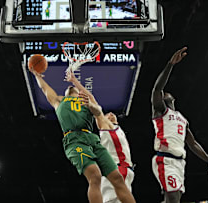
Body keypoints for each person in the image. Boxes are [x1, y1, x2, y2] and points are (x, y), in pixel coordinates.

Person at [29, 67, 136, 203]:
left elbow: (98, 112)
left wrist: (88, 102)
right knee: (95, 175)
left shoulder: (86, 100)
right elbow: (44, 89)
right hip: (74, 140)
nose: (70, 88)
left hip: (91, 138)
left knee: (117, 178)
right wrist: (37, 76)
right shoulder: (59, 101)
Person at [151, 47, 208, 203]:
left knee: (174, 200)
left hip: (179, 163)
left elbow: (193, 143)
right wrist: (170, 65)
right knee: (173, 199)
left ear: (173, 99)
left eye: (166, 93)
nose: (163, 94)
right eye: (163, 94)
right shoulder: (160, 111)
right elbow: (157, 89)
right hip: (165, 159)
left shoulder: (182, 119)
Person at [66, 71, 134, 203]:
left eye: (111, 114)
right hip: (116, 169)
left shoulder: (118, 129)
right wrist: (75, 82)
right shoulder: (105, 125)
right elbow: (92, 100)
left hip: (123, 171)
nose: (109, 114)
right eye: (107, 114)